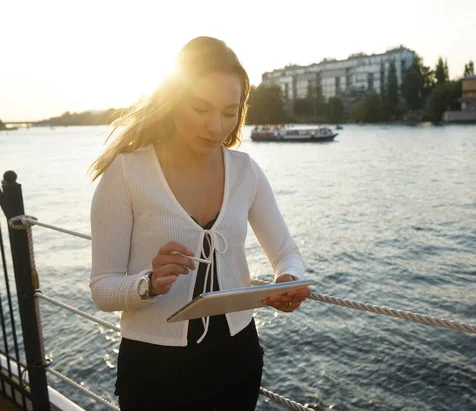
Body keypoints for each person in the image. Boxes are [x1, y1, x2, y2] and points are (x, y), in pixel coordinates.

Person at [88, 36, 310, 411]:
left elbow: (287, 252)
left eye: (229, 110)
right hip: (153, 370)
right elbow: (102, 288)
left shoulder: (245, 172)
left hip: (238, 361)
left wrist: (288, 280)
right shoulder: (126, 172)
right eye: (200, 107)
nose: (216, 125)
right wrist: (148, 283)